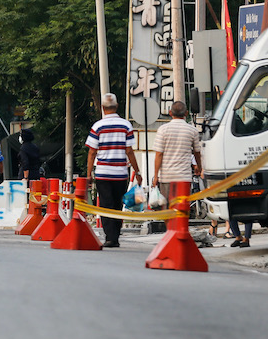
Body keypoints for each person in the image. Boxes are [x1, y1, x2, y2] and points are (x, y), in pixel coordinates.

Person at [86, 93, 142, 248]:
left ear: (103, 108)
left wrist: (89, 173)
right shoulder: (126, 125)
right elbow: (129, 151)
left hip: (103, 173)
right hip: (120, 174)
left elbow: (92, 152)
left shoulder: (97, 126)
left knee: (105, 204)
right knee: (117, 204)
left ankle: (110, 237)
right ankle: (115, 237)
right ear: (116, 106)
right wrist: (137, 172)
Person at [151, 100, 201, 203]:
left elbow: (159, 154)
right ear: (186, 113)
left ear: (170, 113)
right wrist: (199, 168)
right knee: (181, 210)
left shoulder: (162, 130)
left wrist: (156, 176)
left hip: (166, 177)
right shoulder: (192, 130)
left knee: (168, 211)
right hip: (184, 178)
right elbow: (197, 152)